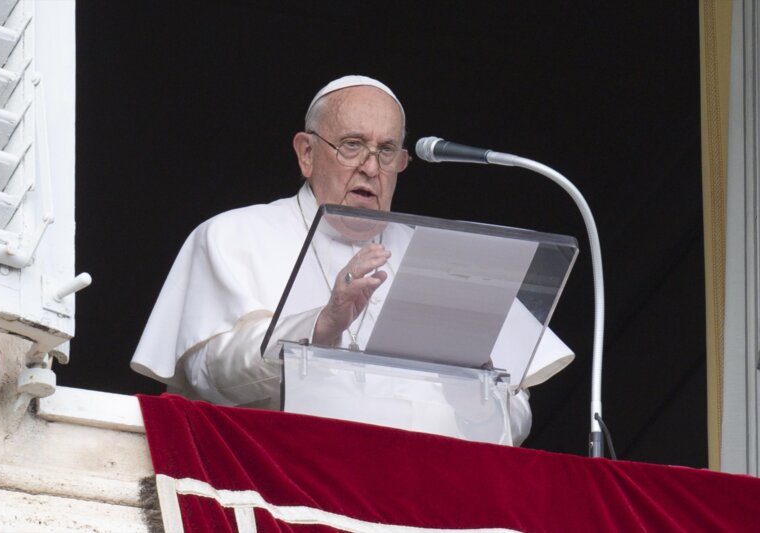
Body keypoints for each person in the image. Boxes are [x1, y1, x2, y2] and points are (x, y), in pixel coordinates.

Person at [131, 75, 574, 445]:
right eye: (351, 145)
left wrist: (476, 398)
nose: (369, 167)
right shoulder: (233, 234)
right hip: (286, 487)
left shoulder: (448, 259)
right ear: (307, 153)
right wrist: (319, 328)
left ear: (402, 162)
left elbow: (516, 416)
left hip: (425, 498)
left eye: (386, 151)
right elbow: (207, 376)